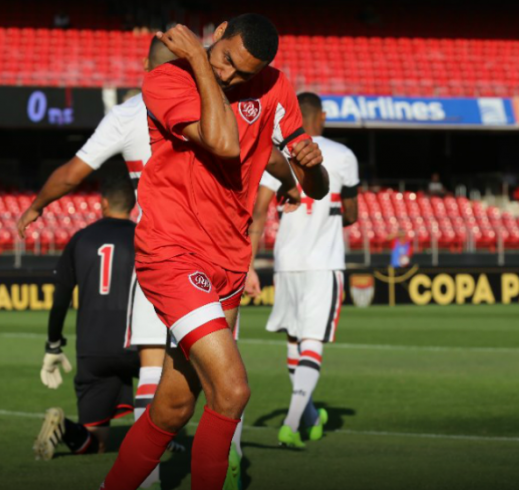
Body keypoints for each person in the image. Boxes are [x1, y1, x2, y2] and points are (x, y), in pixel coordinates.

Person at [98, 14, 328, 490]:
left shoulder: (276, 87)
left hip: (227, 260)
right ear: (218, 31)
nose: (229, 76)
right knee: (232, 391)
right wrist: (203, 62)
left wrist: (312, 166)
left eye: (244, 74)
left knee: (174, 406)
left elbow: (316, 188)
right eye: (225, 60)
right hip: (172, 251)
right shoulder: (167, 78)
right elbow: (223, 142)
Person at [16, 37, 180, 490]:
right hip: (203, 248)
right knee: (201, 371)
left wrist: (36, 206)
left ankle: (149, 476)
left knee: (154, 362)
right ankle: (214, 455)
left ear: (146, 64)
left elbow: (72, 171)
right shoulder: (205, 106)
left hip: (156, 252)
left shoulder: (128, 115)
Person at [247, 92, 360, 448]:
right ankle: (292, 423)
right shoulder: (342, 155)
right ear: (322, 116)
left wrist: (248, 264)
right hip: (323, 263)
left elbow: (258, 213)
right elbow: (353, 214)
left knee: (295, 343)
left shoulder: (281, 155)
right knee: (311, 343)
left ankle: (310, 416)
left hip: (286, 263)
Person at [33, 180, 140, 460]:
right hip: (138, 342)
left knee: (97, 443)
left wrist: (53, 345)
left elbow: (60, 301)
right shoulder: (145, 236)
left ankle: (66, 427)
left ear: (103, 203)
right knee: (169, 390)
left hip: (93, 347)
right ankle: (165, 440)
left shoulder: (81, 238)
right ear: (133, 206)